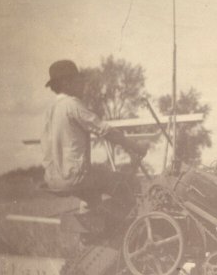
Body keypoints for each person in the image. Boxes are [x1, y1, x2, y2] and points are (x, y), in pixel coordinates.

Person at [41, 59, 146, 216]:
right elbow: (104, 130)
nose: (83, 85)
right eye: (79, 81)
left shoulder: (49, 110)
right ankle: (128, 228)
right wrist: (135, 146)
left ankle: (92, 232)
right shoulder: (72, 104)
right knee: (128, 183)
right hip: (75, 177)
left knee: (93, 198)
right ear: (66, 83)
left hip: (53, 179)